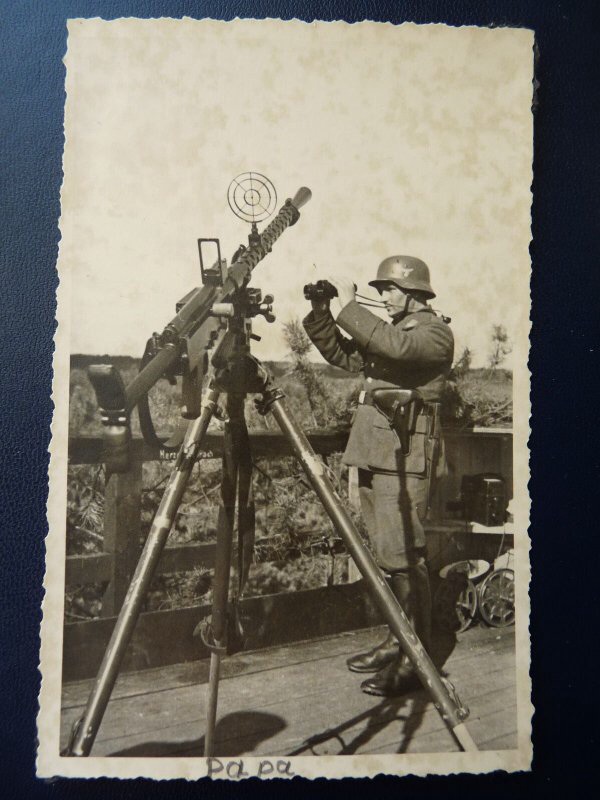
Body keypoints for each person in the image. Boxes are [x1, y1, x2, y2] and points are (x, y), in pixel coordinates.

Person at [303, 256, 454, 697]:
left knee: (404, 557)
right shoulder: (391, 332)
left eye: (388, 289)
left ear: (413, 292)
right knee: (388, 558)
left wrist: (351, 306)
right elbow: (344, 354)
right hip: (377, 453)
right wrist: (322, 311)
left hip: (406, 458)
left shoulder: (433, 333)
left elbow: (396, 347)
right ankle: (397, 641)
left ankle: (416, 660)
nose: (384, 296)